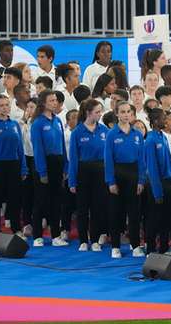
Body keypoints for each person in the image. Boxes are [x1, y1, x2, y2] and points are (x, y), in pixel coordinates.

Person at [0, 94, 28, 234]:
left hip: (13, 165)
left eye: (7, 105)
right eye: (1, 105)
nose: (4, 108)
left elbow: (20, 148)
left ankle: (16, 228)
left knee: (14, 199)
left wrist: (23, 168)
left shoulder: (14, 125)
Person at [104, 101, 146, 258]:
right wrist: (111, 181)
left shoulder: (137, 135)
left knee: (134, 212)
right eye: (122, 112)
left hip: (133, 173)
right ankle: (115, 246)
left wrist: (141, 180)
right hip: (117, 172)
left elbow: (142, 159)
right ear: (117, 114)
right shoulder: (111, 135)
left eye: (128, 112)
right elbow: (108, 159)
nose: (126, 114)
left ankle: (135, 245)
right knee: (116, 211)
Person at [69, 99, 109, 251]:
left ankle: (95, 239)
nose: (100, 115)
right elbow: (73, 158)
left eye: (100, 112)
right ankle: (83, 240)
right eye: (97, 112)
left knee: (98, 207)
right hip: (83, 171)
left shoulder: (104, 131)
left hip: (101, 172)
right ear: (88, 113)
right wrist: (72, 181)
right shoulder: (77, 132)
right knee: (83, 208)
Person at [30, 90, 69, 247]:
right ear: (44, 103)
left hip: (58, 162)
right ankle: (37, 235)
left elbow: (62, 146)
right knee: (40, 201)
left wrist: (66, 165)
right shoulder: (38, 123)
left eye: (56, 100)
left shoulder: (58, 121)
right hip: (44, 162)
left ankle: (55, 236)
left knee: (56, 201)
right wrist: (42, 171)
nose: (55, 103)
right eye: (52, 100)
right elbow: (38, 149)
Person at [144, 108, 171, 254]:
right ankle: (151, 248)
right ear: (155, 121)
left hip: (168, 181)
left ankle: (164, 247)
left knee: (166, 217)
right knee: (153, 218)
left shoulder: (163, 136)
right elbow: (152, 168)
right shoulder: (150, 140)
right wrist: (157, 192)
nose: (166, 121)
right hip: (156, 184)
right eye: (164, 118)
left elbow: (169, 161)